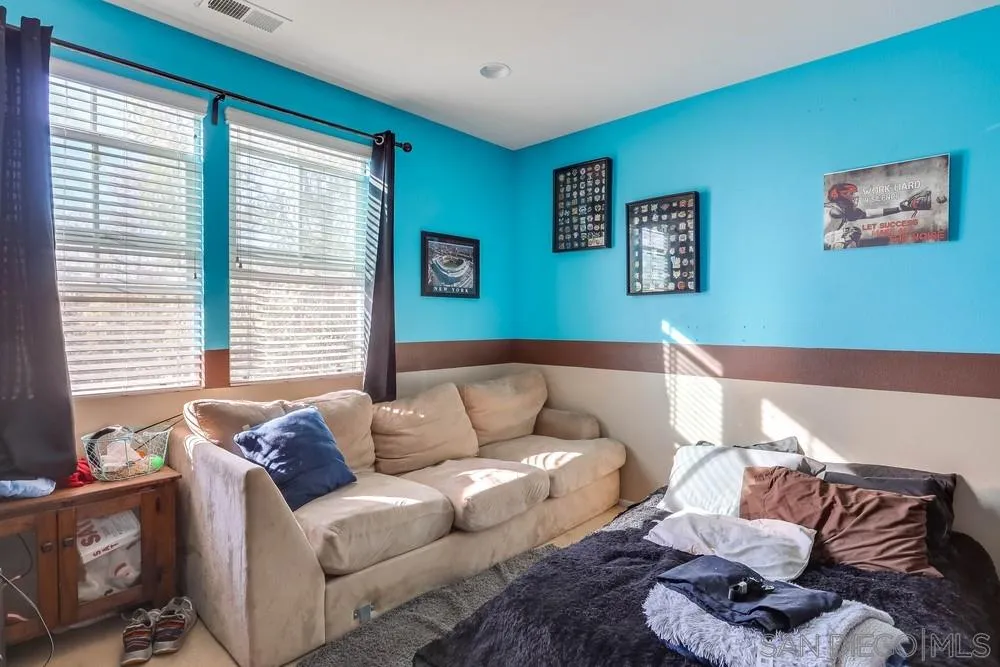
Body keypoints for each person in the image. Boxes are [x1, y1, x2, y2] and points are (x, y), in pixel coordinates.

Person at [823, 183, 934, 249]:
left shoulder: (843, 211)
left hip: (826, 243)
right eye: (851, 194)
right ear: (842, 196)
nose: (854, 197)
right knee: (852, 232)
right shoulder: (832, 211)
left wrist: (899, 209)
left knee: (852, 233)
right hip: (824, 243)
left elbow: (869, 213)